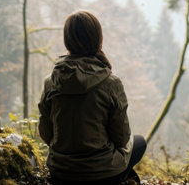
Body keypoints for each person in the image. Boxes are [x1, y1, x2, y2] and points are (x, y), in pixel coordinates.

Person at [38, 10, 146, 184]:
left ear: (67, 39)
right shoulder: (111, 83)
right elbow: (122, 138)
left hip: (61, 173)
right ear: (97, 38)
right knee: (140, 142)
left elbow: (46, 134)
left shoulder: (50, 82)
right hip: (102, 174)